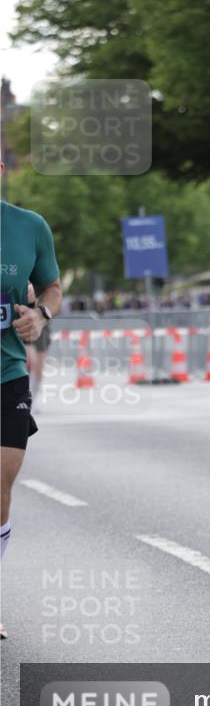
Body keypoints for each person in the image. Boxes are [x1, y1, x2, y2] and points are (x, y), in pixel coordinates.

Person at [1, 175, 62, 638]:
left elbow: (52, 287)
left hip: (8, 371)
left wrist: (40, 315)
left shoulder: (29, 225)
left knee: (4, 472)